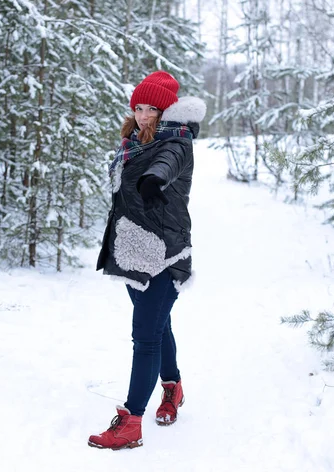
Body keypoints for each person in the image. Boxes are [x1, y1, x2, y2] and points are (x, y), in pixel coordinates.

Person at [88, 70, 206, 450]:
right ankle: (173, 388)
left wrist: (153, 181)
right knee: (158, 326)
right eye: (138, 107)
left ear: (165, 110)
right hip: (133, 250)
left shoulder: (177, 142)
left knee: (145, 338)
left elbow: (166, 164)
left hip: (164, 253)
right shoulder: (131, 142)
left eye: (150, 108)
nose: (142, 115)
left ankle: (130, 422)